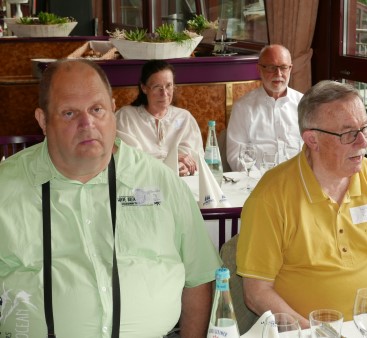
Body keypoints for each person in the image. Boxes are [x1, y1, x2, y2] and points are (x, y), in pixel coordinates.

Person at [0, 59, 221, 337]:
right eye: (69, 113)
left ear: (114, 110)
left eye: (97, 109)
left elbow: (199, 278)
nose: (87, 123)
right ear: (43, 120)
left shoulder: (161, 181)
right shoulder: (5, 188)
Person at [236, 80, 367, 327]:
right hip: (304, 332)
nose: (363, 142)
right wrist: (316, 333)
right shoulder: (271, 196)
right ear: (312, 140)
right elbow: (256, 292)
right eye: (349, 133)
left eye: (365, 128)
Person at [116, 59, 202, 177]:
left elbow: (196, 160)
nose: (165, 93)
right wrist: (171, 161)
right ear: (144, 88)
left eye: (168, 86)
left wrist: (186, 168)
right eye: (157, 87)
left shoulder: (184, 118)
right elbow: (130, 162)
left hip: (181, 184)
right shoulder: (126, 117)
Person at [226, 44, 303, 171]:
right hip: (258, 182)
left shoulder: (304, 104)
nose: (278, 74)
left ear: (290, 69)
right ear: (259, 69)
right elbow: (236, 155)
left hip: (298, 180)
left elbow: (315, 149)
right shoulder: (243, 107)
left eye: (283, 67)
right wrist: (259, 181)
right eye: (271, 67)